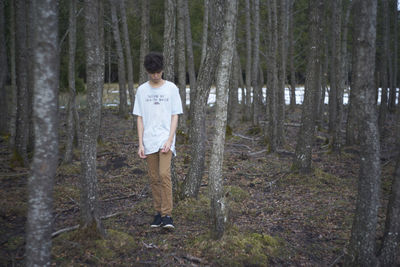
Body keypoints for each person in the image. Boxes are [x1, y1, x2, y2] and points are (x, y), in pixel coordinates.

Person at [133, 52, 183, 229]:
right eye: (152, 73)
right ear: (148, 72)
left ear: (162, 70)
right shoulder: (142, 90)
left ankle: (167, 214)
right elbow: (139, 117)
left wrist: (170, 139)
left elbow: (175, 115)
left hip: (165, 139)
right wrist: (140, 143)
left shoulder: (171, 89)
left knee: (164, 174)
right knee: (154, 177)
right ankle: (157, 213)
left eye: (158, 72)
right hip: (148, 140)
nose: (155, 76)